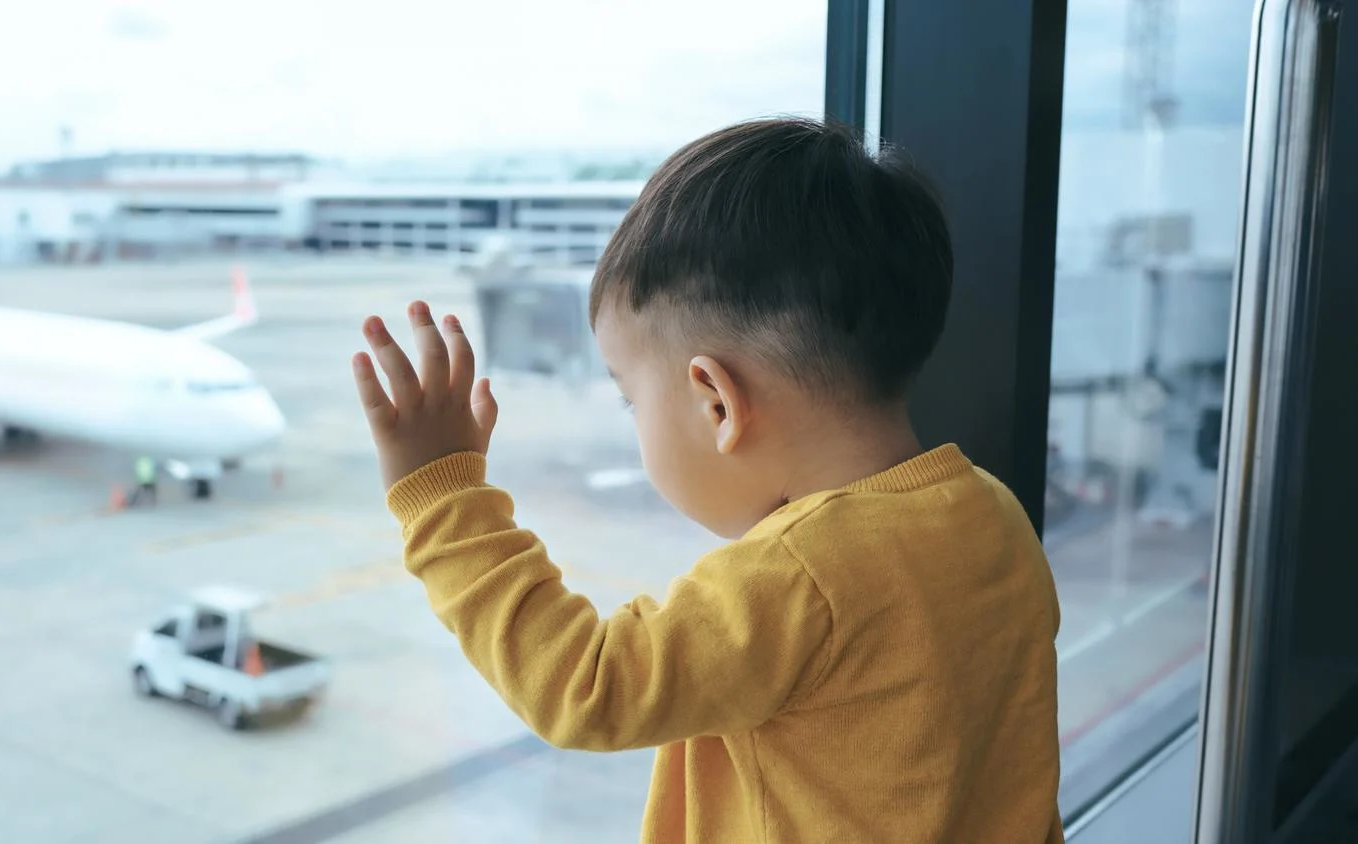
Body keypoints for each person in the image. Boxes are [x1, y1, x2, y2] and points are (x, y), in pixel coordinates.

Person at [350, 118, 1063, 843]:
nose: (634, 420)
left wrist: (442, 493)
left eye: (632, 397)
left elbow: (587, 688)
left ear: (716, 402)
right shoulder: (991, 512)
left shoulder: (799, 577)